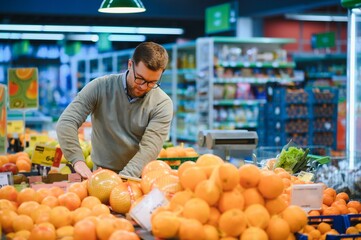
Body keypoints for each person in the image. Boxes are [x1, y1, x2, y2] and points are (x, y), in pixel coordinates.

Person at [56, 42, 173, 178]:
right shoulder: (100, 87)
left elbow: (149, 149)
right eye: (140, 78)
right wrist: (78, 160)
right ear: (130, 65)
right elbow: (67, 122)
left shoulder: (162, 104)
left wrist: (121, 180)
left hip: (138, 179)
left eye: (152, 82)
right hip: (100, 174)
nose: (143, 86)